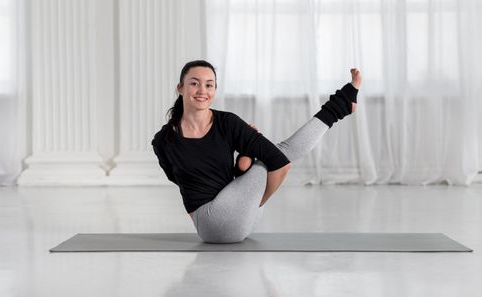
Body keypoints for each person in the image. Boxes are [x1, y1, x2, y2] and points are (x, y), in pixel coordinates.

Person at [152, 60, 361, 244]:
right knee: (279, 154)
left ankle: (245, 161)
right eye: (194, 83)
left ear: (215, 90)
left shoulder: (227, 123)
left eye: (209, 85)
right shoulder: (163, 140)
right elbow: (281, 163)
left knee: (271, 157)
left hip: (240, 217)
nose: (202, 91)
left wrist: (247, 204)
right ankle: (340, 106)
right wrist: (258, 201)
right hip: (212, 223)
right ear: (180, 88)